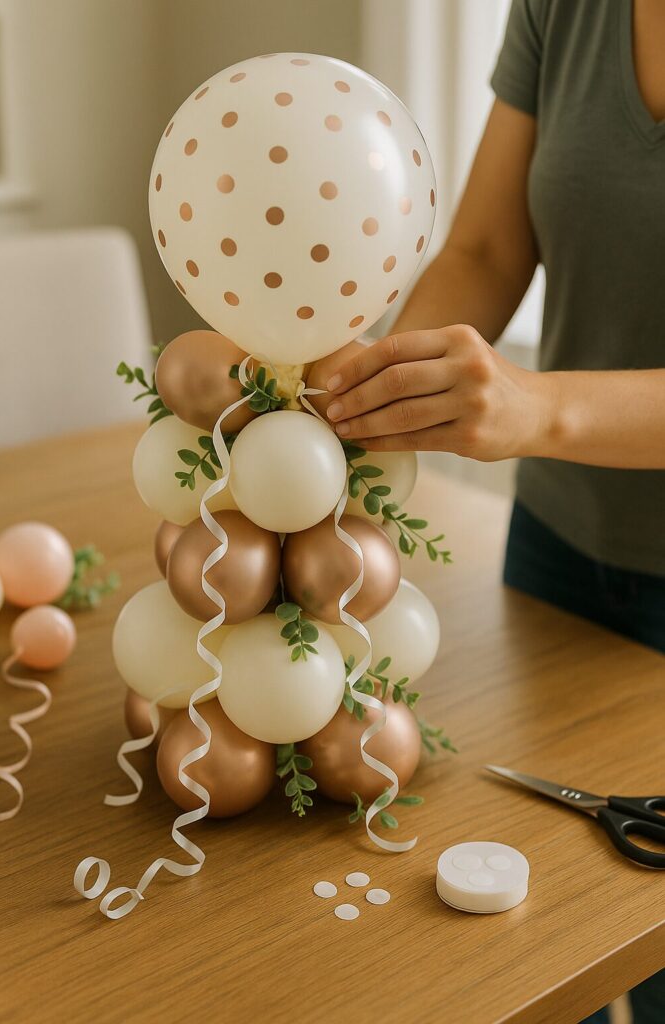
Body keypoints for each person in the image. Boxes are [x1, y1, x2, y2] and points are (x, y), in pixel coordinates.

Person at [325, 1, 664, 1021]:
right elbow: (481, 246)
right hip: (556, 557)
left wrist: (535, 405)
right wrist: (366, 399)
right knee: (550, 949)